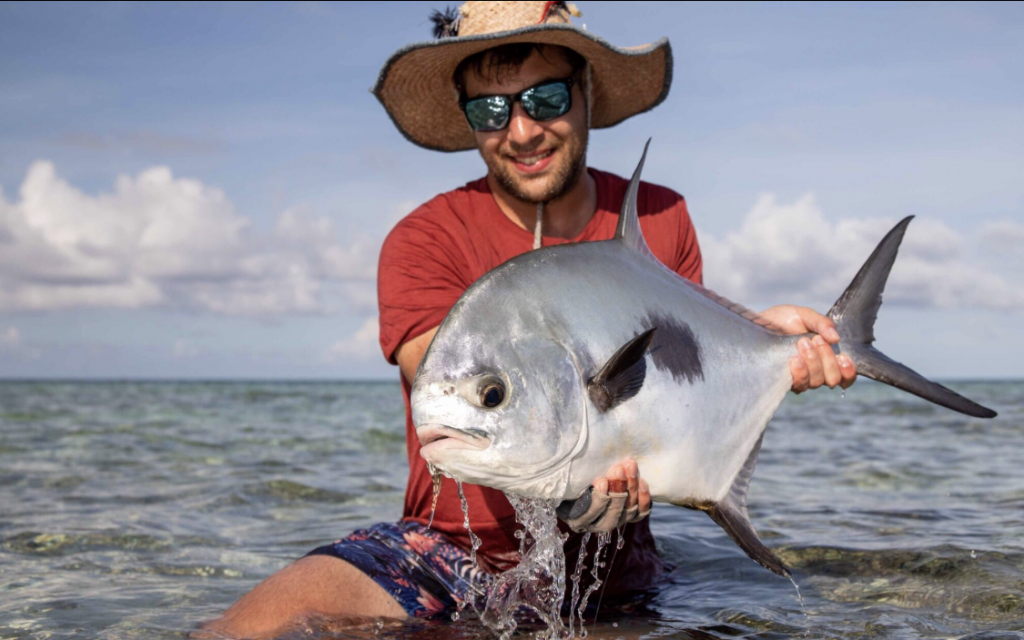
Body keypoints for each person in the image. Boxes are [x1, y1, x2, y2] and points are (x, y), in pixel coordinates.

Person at [199, 2, 856, 637]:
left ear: (587, 91)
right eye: (491, 109)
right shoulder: (422, 238)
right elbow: (449, 375)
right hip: (447, 554)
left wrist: (768, 342)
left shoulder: (659, 217)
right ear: (468, 121)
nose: (522, 132)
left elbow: (680, 373)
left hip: (616, 568)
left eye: (546, 100)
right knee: (243, 630)